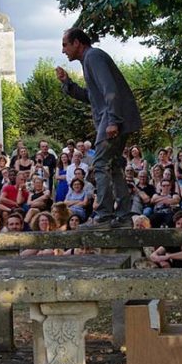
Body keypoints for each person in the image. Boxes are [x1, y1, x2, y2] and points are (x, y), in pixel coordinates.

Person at [56, 27, 142, 228]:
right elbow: (92, 97)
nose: (63, 50)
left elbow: (110, 90)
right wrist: (68, 84)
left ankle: (104, 216)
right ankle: (123, 217)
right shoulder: (89, 61)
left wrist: (112, 120)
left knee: (101, 163)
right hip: (116, 118)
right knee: (113, 166)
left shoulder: (93, 56)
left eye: (65, 45)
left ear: (77, 43)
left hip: (113, 119)